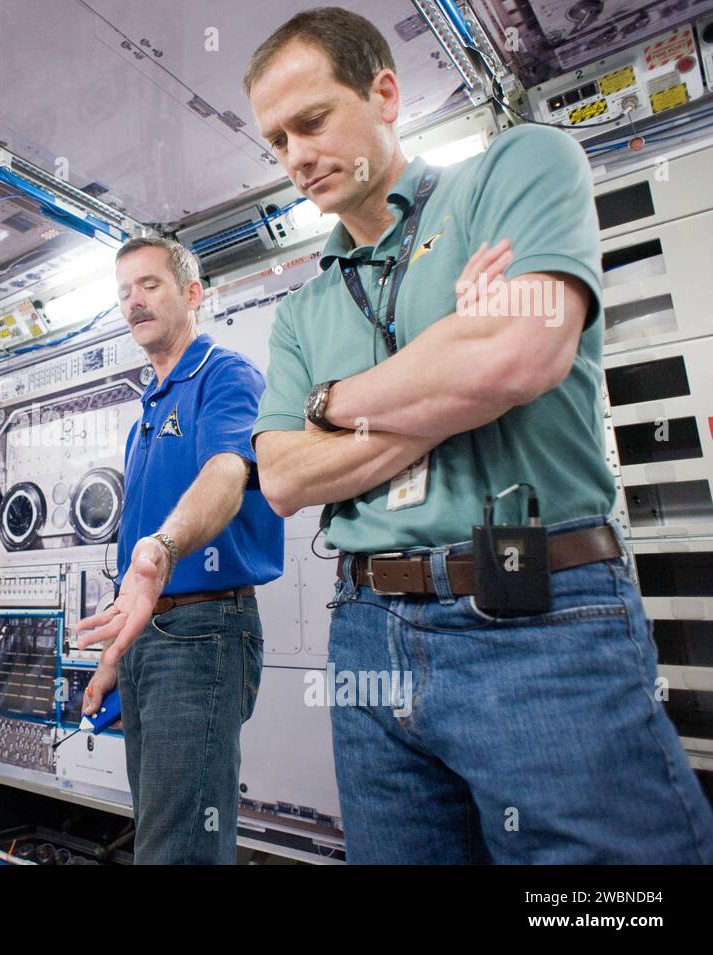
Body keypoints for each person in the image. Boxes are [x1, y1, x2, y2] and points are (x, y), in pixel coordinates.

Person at [245, 7, 713, 862]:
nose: (297, 156)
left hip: (536, 616)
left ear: (384, 93)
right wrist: (445, 372)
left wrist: (331, 402)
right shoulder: (304, 310)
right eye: (276, 140)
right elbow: (278, 479)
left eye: (311, 121)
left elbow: (511, 358)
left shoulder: (517, 164)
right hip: (367, 627)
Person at [75, 236, 285, 864]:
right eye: (123, 293)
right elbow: (136, 553)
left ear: (194, 294)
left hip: (202, 631)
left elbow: (226, 470)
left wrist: (164, 548)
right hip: (148, 634)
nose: (133, 303)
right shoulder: (148, 407)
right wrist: (116, 650)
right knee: (161, 831)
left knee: (178, 847)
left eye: (150, 285)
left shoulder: (225, 375)